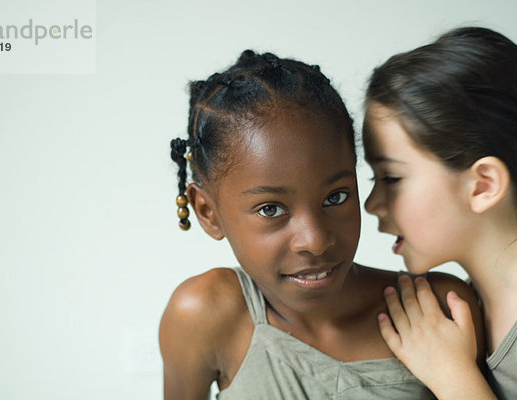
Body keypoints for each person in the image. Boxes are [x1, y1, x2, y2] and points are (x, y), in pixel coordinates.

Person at [159, 49, 483, 400]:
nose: (314, 241)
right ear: (208, 212)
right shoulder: (203, 316)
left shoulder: (437, 311)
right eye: (270, 209)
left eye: (335, 198)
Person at [363, 26, 517, 399]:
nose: (372, 204)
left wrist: (452, 377)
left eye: (392, 178)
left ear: (483, 185)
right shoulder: (470, 300)